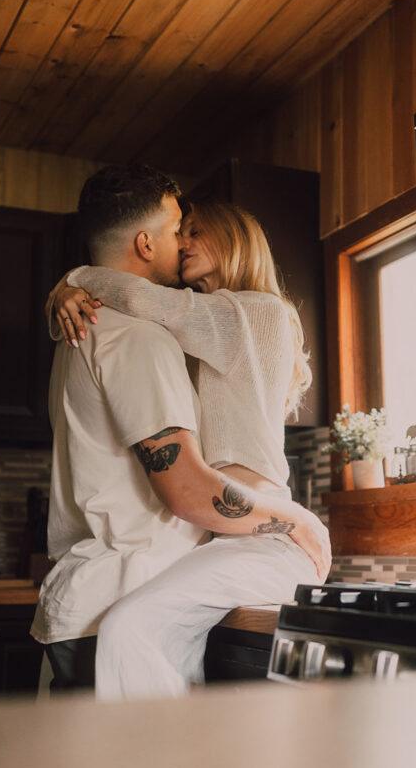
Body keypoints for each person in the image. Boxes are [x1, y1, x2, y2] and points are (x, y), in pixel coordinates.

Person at [34, 165, 330, 692]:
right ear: (146, 243)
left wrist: (72, 279)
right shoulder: (154, 337)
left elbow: (149, 301)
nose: (184, 241)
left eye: (195, 230)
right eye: (180, 230)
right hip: (204, 548)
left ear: (232, 241)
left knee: (133, 639)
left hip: (256, 535)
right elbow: (189, 490)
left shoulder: (251, 314)